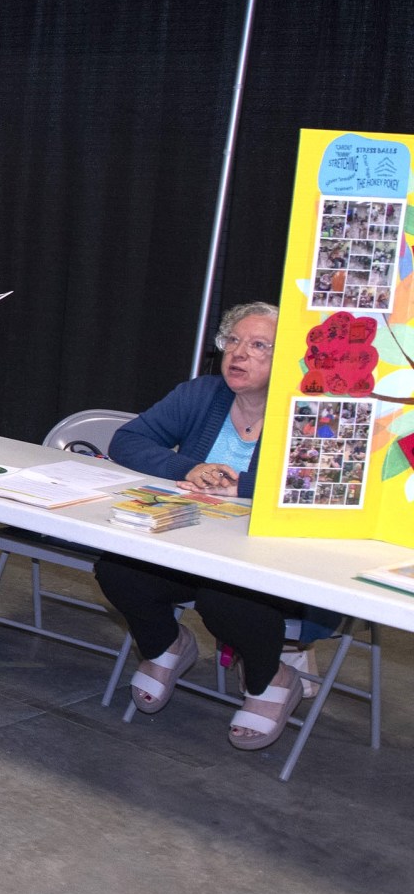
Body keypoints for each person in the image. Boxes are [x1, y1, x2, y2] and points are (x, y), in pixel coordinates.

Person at [98, 301, 322, 751]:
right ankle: (165, 647)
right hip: (194, 546)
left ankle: (270, 678)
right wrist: (190, 465)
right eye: (232, 341)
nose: (239, 354)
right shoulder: (202, 393)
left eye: (259, 345)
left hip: (272, 560)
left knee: (226, 599)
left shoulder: (310, 413)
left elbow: (317, 486)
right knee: (118, 569)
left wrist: (245, 486)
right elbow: (128, 440)